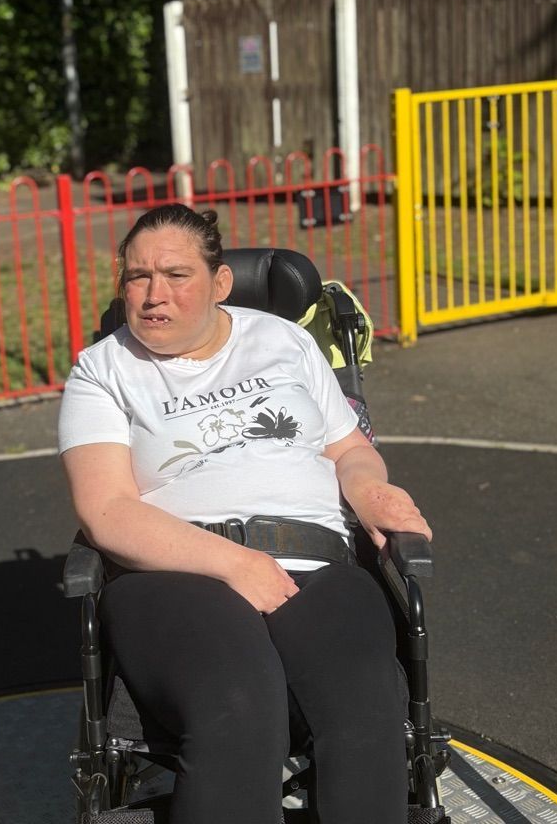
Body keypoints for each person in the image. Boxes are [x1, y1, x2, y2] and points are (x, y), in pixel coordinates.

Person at [58, 204, 432, 824]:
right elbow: (107, 512)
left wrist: (372, 493)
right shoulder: (103, 370)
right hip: (176, 573)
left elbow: (348, 448)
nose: (153, 295)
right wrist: (237, 565)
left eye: (176, 276)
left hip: (320, 560)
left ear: (220, 283)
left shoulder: (282, 340)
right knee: (236, 705)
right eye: (137, 277)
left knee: (364, 711)